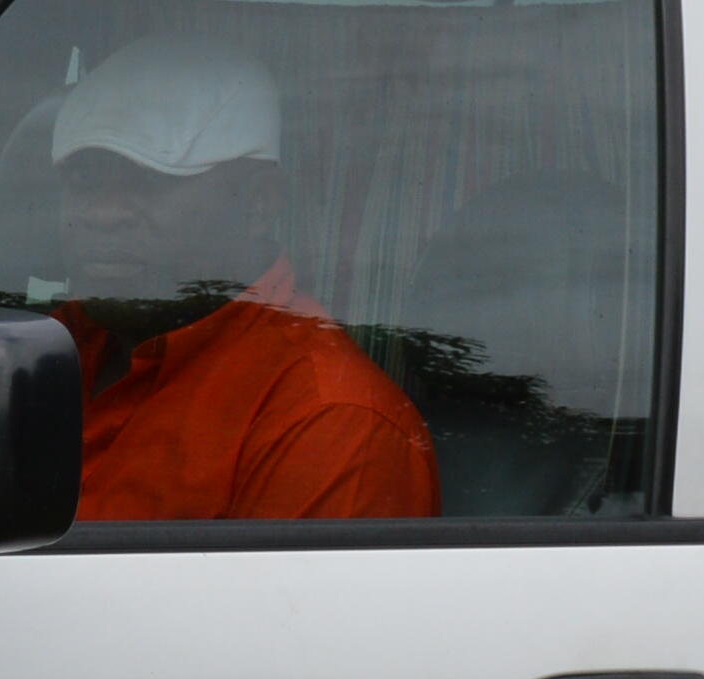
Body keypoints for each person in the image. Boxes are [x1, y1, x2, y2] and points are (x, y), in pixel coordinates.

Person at [39, 36, 438, 522]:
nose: (102, 214)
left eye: (149, 181)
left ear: (258, 203)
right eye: (84, 181)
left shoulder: (327, 420)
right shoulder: (45, 350)